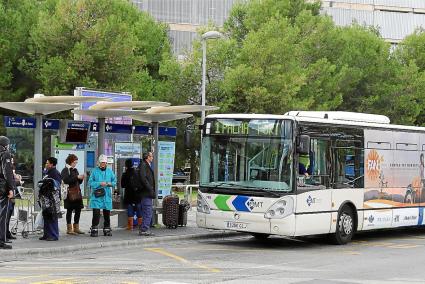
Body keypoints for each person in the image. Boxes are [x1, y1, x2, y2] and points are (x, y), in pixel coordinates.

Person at [89, 154, 116, 237]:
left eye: (104, 163)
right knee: (96, 213)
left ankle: (107, 229)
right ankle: (94, 229)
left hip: (106, 196)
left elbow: (114, 182)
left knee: (107, 214)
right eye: (101, 163)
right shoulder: (94, 171)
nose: (103, 164)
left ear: (106, 163)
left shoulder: (110, 172)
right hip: (97, 195)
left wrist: (109, 183)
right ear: (99, 163)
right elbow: (90, 183)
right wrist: (99, 183)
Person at [61, 154, 84, 235]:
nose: (75, 164)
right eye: (74, 162)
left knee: (78, 210)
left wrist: (81, 179)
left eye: (76, 162)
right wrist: (77, 177)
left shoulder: (75, 169)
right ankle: (69, 228)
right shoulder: (65, 170)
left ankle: (76, 227)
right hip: (69, 194)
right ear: (70, 162)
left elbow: (77, 181)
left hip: (77, 193)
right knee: (69, 210)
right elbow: (66, 180)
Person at [39, 157, 62, 241]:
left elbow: (56, 186)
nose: (46, 164)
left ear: (52, 164)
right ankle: (47, 234)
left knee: (52, 216)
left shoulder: (55, 173)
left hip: (52, 199)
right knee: (46, 215)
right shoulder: (48, 172)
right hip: (46, 198)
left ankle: (54, 235)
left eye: (47, 163)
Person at [0, 136, 15, 249]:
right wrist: (11, 188)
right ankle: (1, 241)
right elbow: (7, 173)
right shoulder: (5, 154)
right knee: (2, 215)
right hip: (2, 189)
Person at [137, 151, 155, 236]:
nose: (152, 157)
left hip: (146, 193)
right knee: (148, 212)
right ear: (147, 157)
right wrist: (150, 188)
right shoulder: (144, 165)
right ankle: (144, 229)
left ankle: (143, 229)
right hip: (146, 193)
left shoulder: (145, 165)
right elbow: (143, 179)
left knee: (146, 212)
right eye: (151, 156)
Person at [121, 159, 142, 230]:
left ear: (126, 165)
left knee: (130, 210)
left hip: (129, 196)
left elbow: (122, 185)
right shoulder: (137, 173)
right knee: (139, 210)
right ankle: (140, 226)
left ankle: (130, 227)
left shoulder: (125, 174)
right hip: (137, 196)